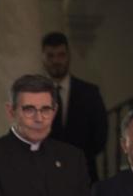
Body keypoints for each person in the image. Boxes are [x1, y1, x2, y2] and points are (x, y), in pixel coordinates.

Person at [42, 31, 108, 183]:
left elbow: (100, 136)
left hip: (83, 174)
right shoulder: (33, 93)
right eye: (50, 56)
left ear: (68, 56)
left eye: (61, 55)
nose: (56, 61)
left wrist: (75, 159)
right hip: (44, 175)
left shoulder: (90, 93)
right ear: (42, 57)